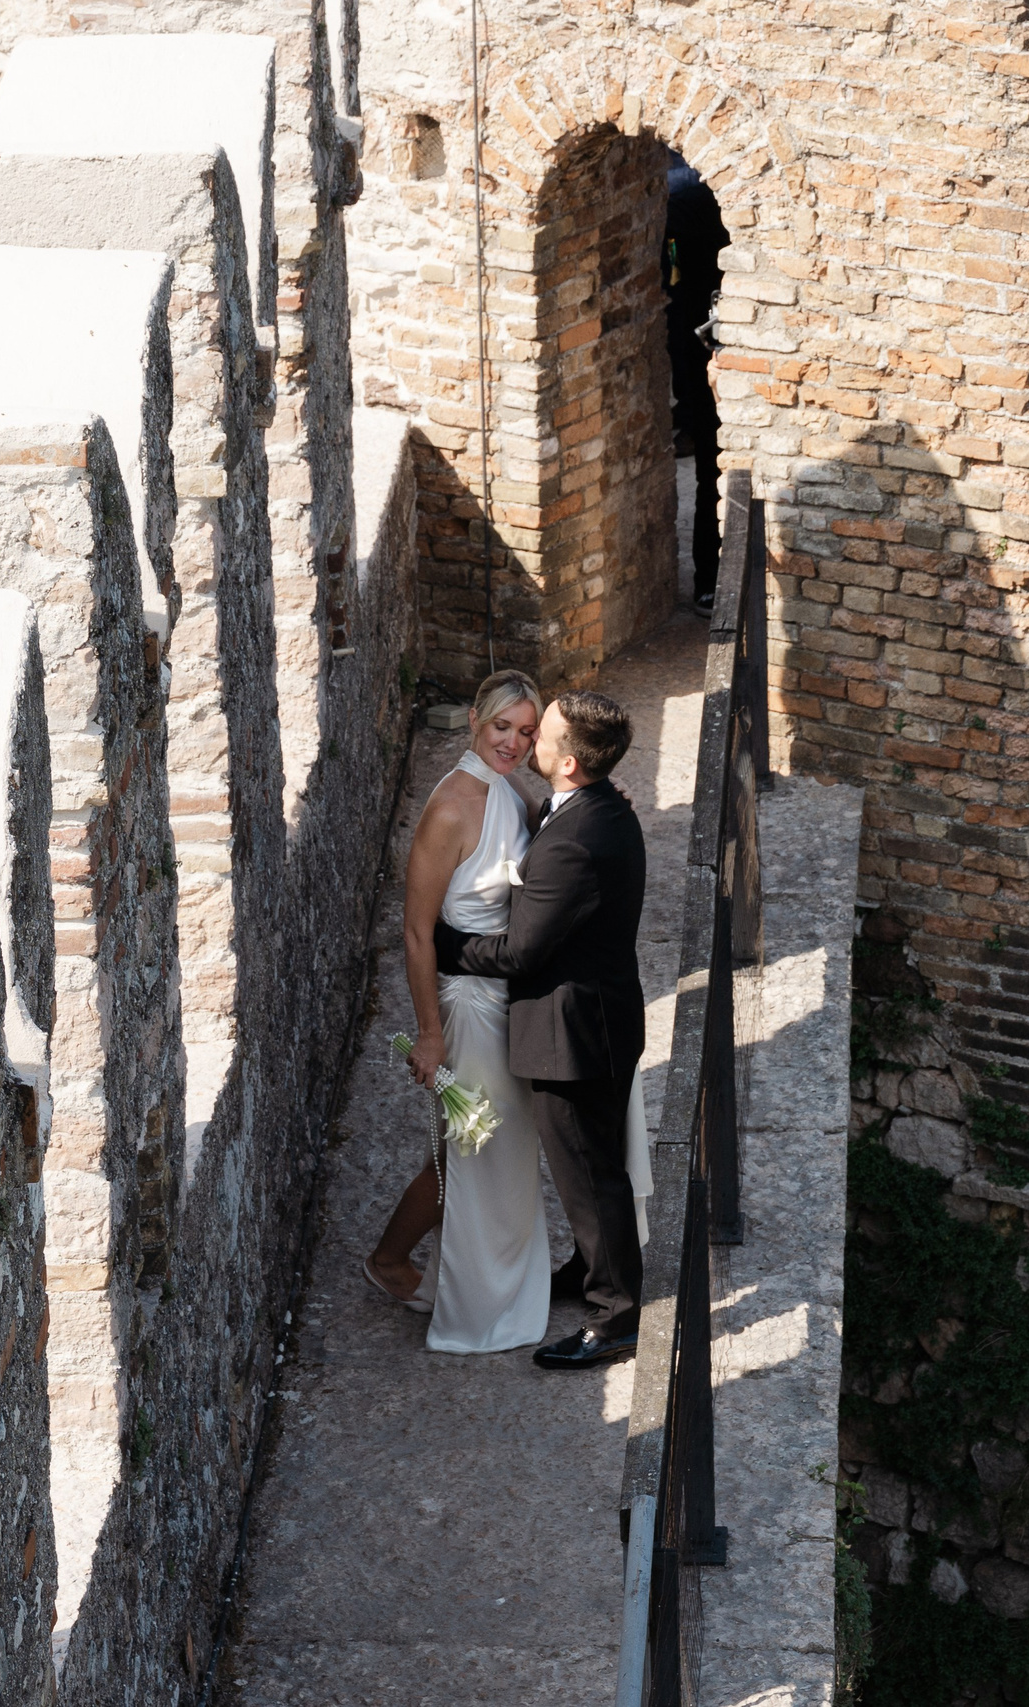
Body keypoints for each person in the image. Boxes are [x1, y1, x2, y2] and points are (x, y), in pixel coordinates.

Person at [436, 690, 650, 1370]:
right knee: (592, 1166)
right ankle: (591, 1264)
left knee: (590, 1175)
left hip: (575, 1037)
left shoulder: (575, 842)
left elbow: (520, 952)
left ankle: (615, 1315)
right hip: (602, 1018)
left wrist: (447, 946)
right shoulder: (595, 808)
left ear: (569, 762)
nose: (530, 743)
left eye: (543, 735)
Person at [361, 670, 555, 1354]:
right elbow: (416, 931)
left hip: (503, 995)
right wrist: (429, 1033)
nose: (514, 741)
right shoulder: (450, 808)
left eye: (527, 731)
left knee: (470, 1151)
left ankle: (398, 1260)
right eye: (503, 726)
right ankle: (442, 1283)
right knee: (478, 1151)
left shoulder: (510, 788)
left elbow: (548, 841)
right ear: (474, 717)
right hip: (467, 1006)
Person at [665, 158, 730, 613]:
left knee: (712, 468)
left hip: (698, 341)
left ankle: (709, 581)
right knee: (714, 468)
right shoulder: (690, 194)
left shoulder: (679, 195)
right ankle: (711, 581)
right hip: (707, 342)